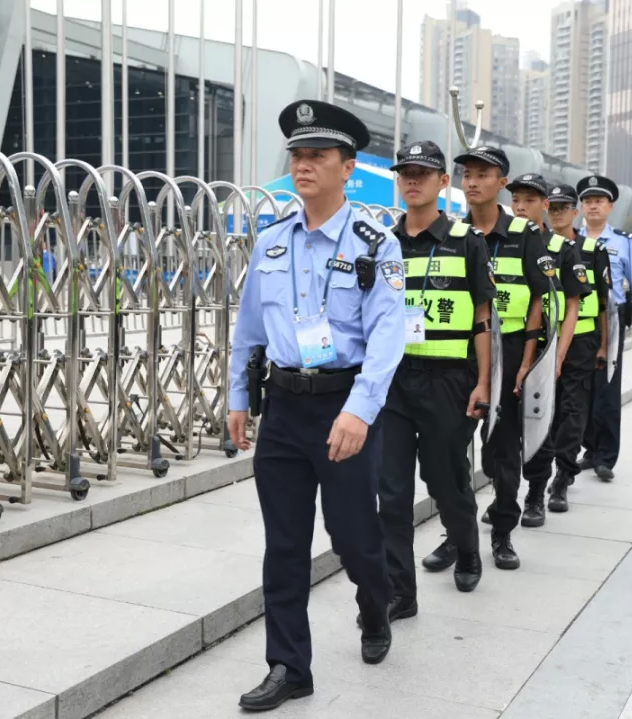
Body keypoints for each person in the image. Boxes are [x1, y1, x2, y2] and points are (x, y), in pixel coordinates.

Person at [227, 100, 406, 712]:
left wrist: (360, 411)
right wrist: (239, 396)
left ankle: (375, 604)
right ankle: (288, 666)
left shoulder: (375, 245)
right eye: (297, 155)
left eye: (317, 156)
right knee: (284, 544)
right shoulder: (272, 241)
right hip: (283, 408)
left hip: (343, 406)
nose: (302, 165)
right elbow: (249, 327)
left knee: (353, 537)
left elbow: (388, 336)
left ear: (347, 167)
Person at [376, 140, 494, 618]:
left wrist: (484, 383)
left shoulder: (467, 241)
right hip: (393, 382)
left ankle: (466, 549)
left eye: (423, 173)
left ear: (443, 182)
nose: (412, 180)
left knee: (446, 481)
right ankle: (399, 593)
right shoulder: (383, 242)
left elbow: (484, 319)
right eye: (405, 172)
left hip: (449, 381)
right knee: (391, 492)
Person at [457, 146, 552, 570]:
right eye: (467, 175)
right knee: (451, 446)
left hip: (510, 350)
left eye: (483, 174)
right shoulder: (453, 232)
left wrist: (527, 363)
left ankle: (501, 532)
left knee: (503, 446)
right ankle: (455, 533)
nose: (472, 182)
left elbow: (537, 300)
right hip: (459, 350)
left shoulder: (524, 233)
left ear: (501, 182)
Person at [506, 174, 590, 525]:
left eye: (529, 201)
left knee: (539, 421)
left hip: (544, 348)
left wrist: (558, 355)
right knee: (503, 429)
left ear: (544, 205)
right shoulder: (502, 242)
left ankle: (535, 494)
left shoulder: (561, 248)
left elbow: (573, 304)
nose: (520, 207)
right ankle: (504, 496)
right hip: (508, 345)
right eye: (516, 200)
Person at [578, 174, 632, 482]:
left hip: (611, 317)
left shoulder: (623, 241)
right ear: (581, 207)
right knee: (580, 385)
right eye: (587, 201)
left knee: (607, 386)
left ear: (609, 207)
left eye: (599, 201)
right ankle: (589, 448)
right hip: (579, 318)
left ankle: (606, 457)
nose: (593, 206)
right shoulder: (571, 238)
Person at [543, 184, 612, 512]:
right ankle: (541, 473)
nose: (557, 214)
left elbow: (604, 303)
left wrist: (604, 346)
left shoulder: (591, 249)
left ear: (575, 212)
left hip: (582, 341)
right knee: (547, 410)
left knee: (573, 410)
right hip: (545, 339)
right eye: (553, 207)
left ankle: (562, 476)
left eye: (564, 208)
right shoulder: (537, 246)